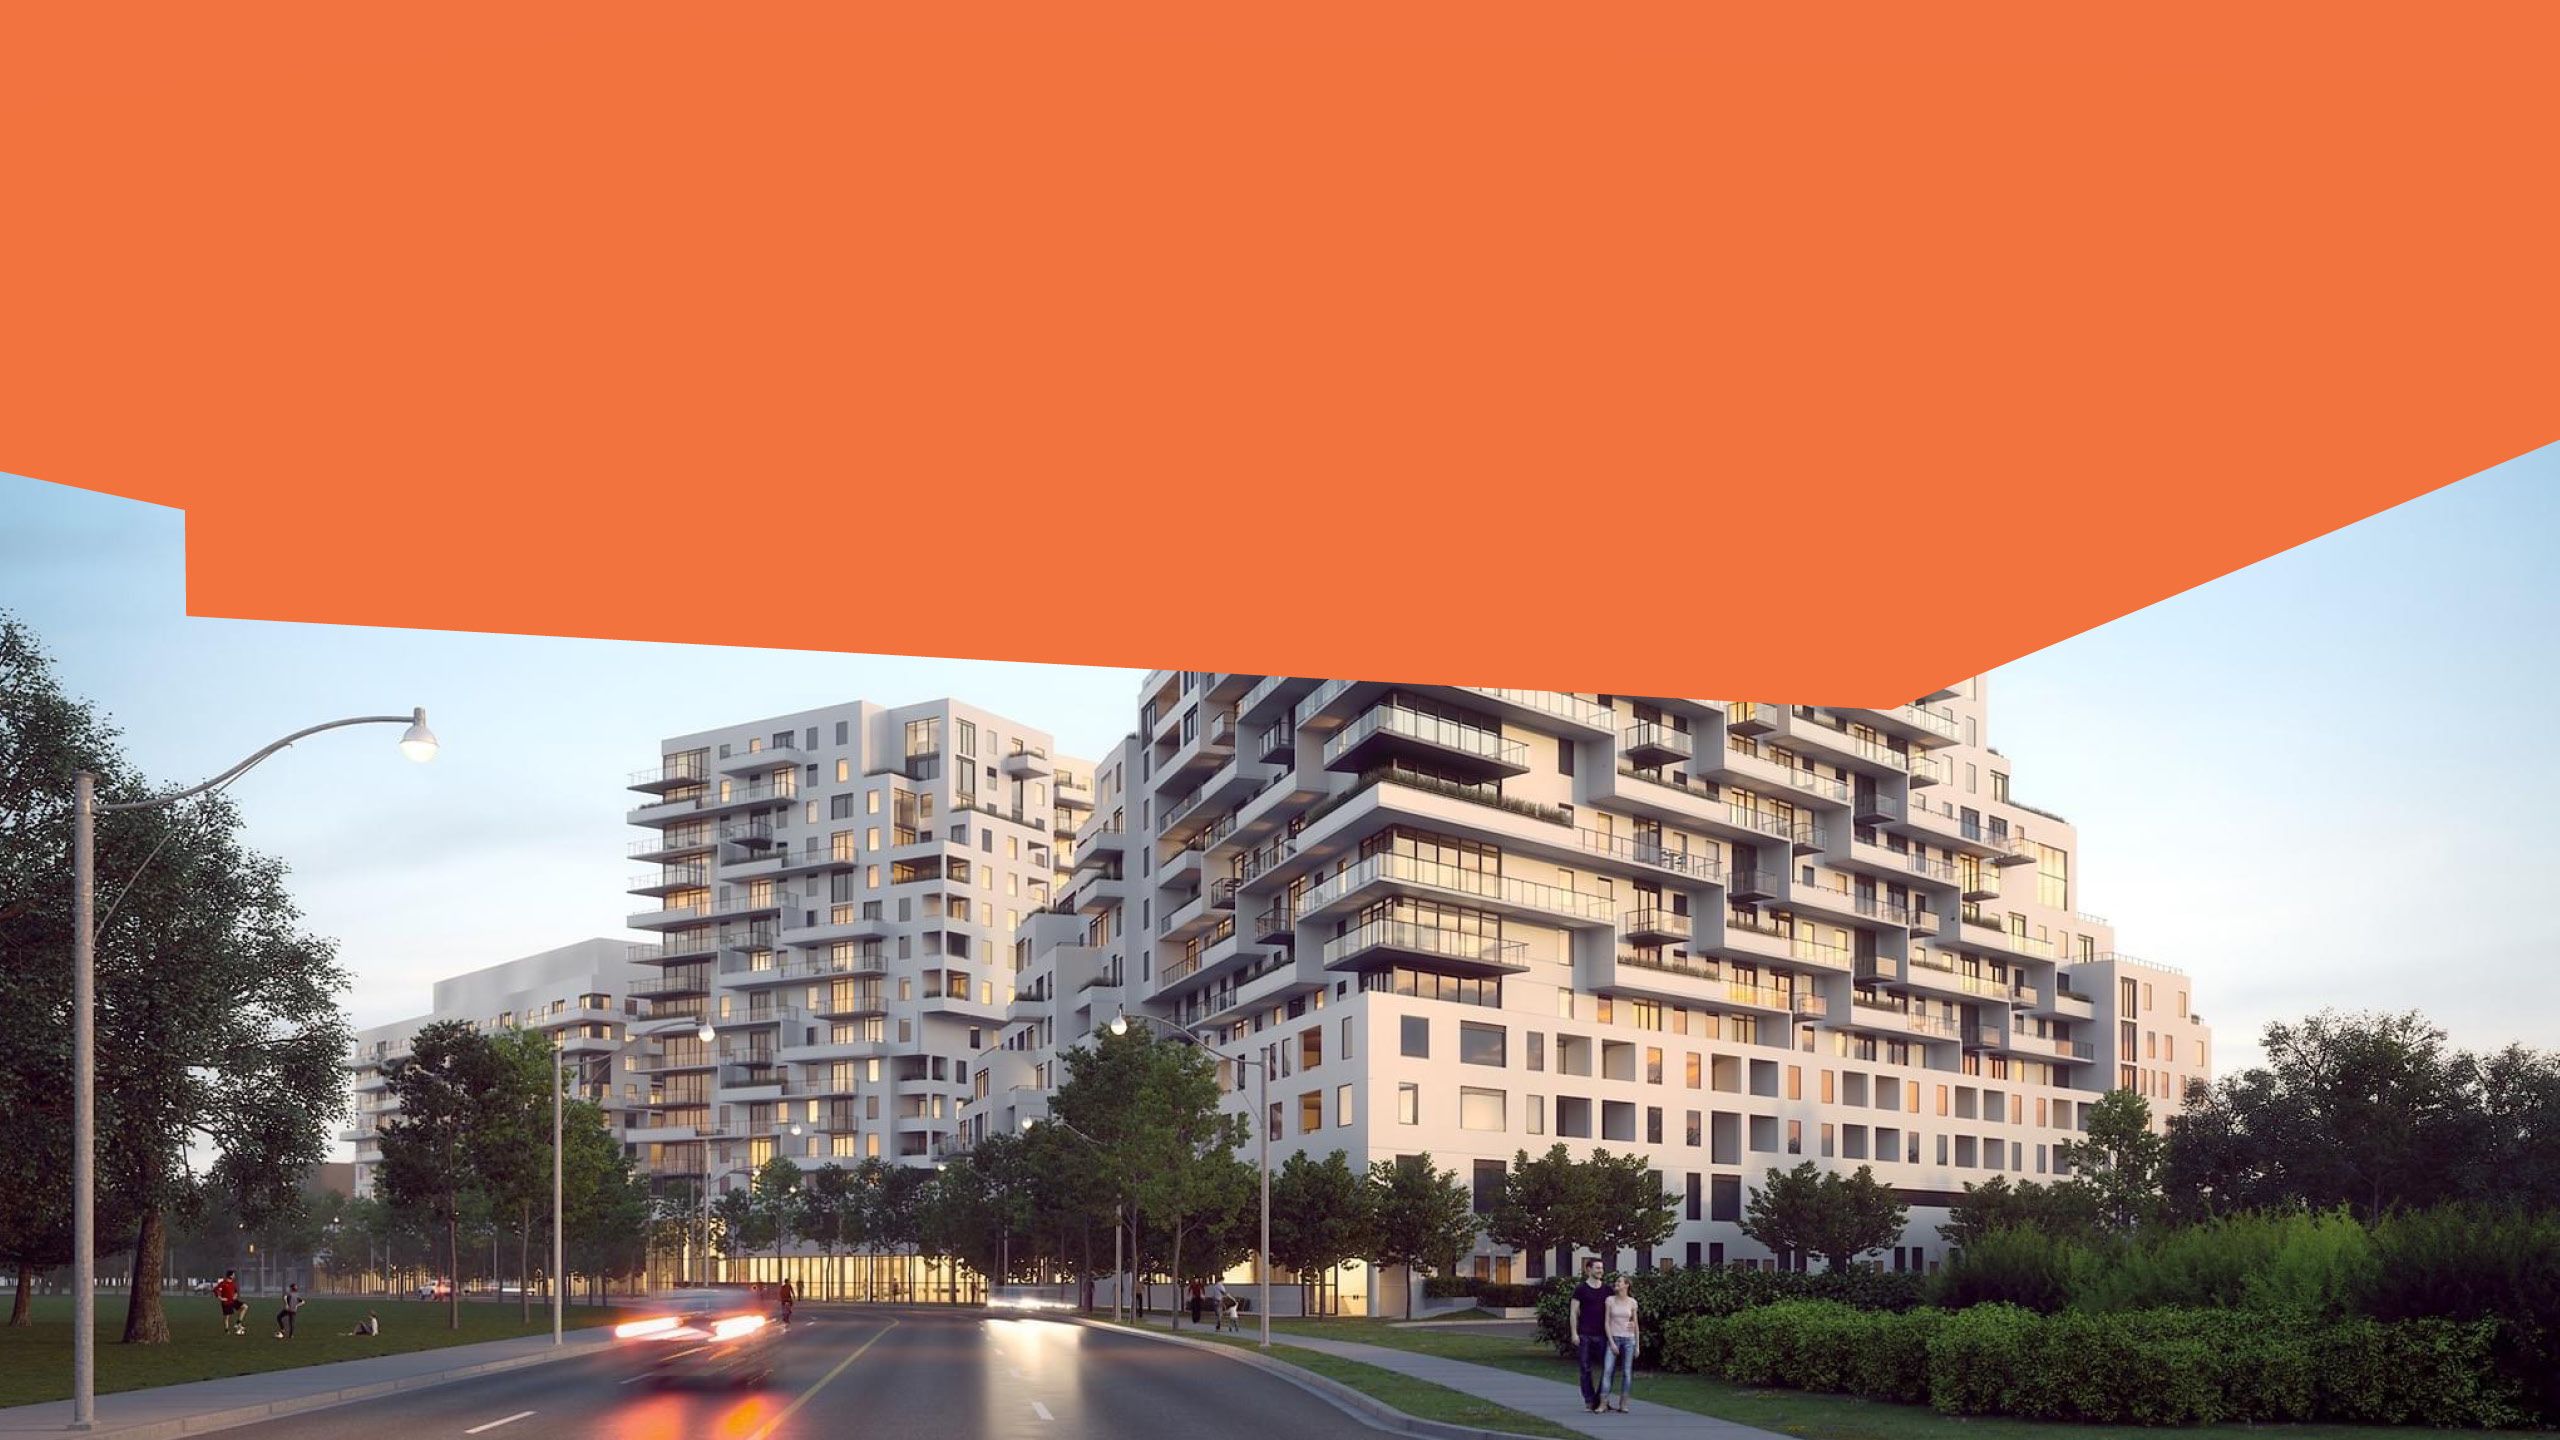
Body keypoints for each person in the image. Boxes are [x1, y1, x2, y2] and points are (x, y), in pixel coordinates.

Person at [1570, 1258, 1612, 1413]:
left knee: (1607, 1368)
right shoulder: (1580, 1289)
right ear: (1588, 1269)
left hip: (1603, 1335)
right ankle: (1589, 1400)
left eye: (1601, 1268)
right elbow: (1573, 1313)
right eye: (1597, 1268)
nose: (1600, 1270)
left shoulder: (1608, 1290)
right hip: (1585, 1334)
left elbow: (1617, 1307)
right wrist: (1574, 1333)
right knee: (1585, 1368)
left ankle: (1600, 1399)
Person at [1599, 1275, 1641, 1413]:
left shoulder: (1632, 1302)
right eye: (1616, 1281)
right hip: (1614, 1339)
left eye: (1619, 1282)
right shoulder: (1610, 1300)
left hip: (1628, 1340)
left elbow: (1635, 1324)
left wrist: (1637, 1345)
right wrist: (1611, 1343)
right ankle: (1603, 1403)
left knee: (1627, 1373)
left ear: (1626, 1285)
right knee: (1607, 1370)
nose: (1616, 1283)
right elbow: (1606, 1322)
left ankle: (1623, 1403)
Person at [214, 1270, 243, 1336]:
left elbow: (235, 1291)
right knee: (227, 1317)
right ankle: (227, 1330)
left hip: (233, 1301)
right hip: (226, 1303)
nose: (234, 1276)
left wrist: (235, 1296)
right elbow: (215, 1290)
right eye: (233, 1275)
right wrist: (221, 1298)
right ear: (230, 1276)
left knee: (245, 1307)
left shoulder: (233, 1283)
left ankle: (238, 1323)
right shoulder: (223, 1283)